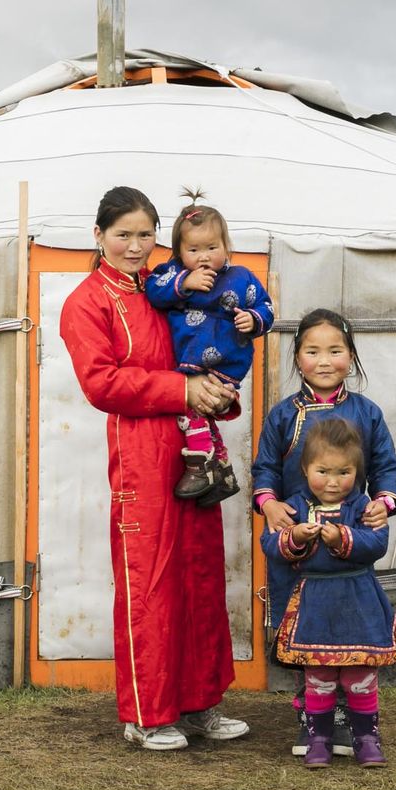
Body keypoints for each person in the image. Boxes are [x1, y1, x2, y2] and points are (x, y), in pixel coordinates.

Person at [58, 185, 251, 751]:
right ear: (98, 236)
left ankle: (200, 706)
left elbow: (209, 347)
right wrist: (182, 389)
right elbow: (102, 384)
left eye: (146, 234)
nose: (136, 246)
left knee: (199, 576)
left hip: (194, 446)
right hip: (141, 451)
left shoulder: (171, 287)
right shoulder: (87, 303)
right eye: (123, 235)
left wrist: (215, 392)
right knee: (152, 580)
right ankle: (147, 714)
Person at [253, 308, 396, 755]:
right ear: (297, 357)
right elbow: (264, 470)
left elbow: (385, 469)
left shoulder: (366, 412)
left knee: (347, 624)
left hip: (349, 537)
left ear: (351, 356)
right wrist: (271, 504)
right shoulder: (284, 415)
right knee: (303, 625)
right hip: (298, 538)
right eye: (312, 350)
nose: (324, 360)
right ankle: (313, 717)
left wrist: (382, 504)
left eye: (335, 350)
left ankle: (349, 716)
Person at [261, 416, 396, 768]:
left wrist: (344, 538)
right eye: (322, 471)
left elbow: (377, 543)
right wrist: (293, 537)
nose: (333, 481)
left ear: (357, 472)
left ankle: (366, 739)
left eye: (344, 473)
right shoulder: (293, 506)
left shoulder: (363, 507)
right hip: (316, 603)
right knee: (319, 677)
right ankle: (318, 739)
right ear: (306, 468)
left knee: (360, 676)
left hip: (358, 598)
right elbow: (270, 544)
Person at [145, 189, 275, 504]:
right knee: (200, 412)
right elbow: (153, 290)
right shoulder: (174, 274)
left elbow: (267, 307)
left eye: (212, 247)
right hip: (192, 362)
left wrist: (253, 319)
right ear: (177, 251)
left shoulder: (241, 278)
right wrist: (184, 283)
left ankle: (201, 465)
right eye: (193, 249)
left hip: (227, 365)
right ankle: (221, 469)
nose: (204, 256)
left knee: (193, 412)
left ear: (226, 246)